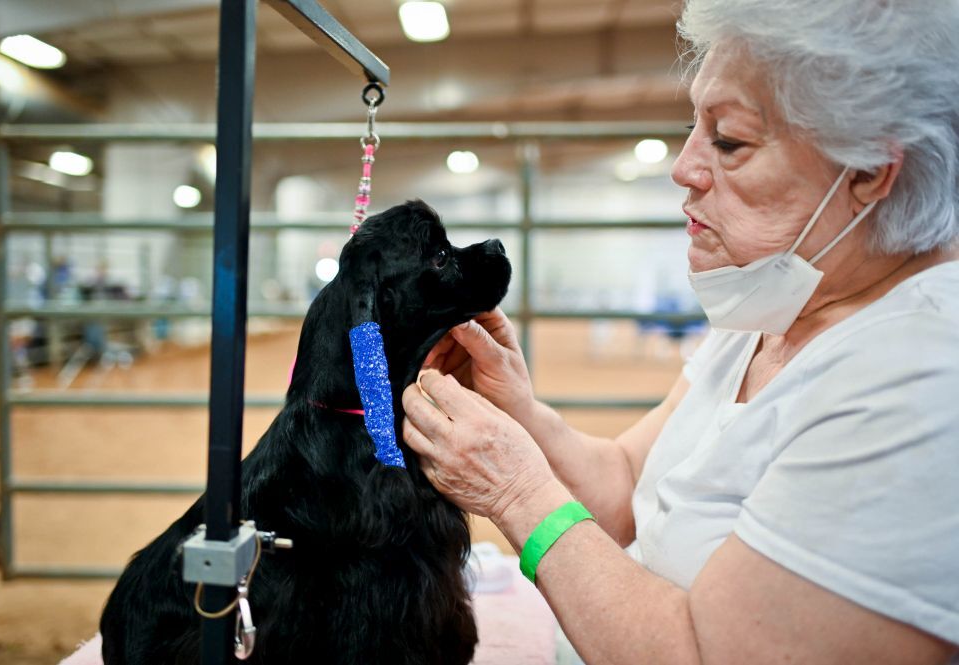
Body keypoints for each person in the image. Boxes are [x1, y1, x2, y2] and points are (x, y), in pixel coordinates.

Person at [401, 0, 959, 662]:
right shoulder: (782, 299)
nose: (684, 166)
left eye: (730, 141)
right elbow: (625, 487)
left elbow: (702, 653)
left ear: (867, 170)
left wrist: (519, 493)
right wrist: (519, 412)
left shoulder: (918, 382)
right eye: (695, 127)